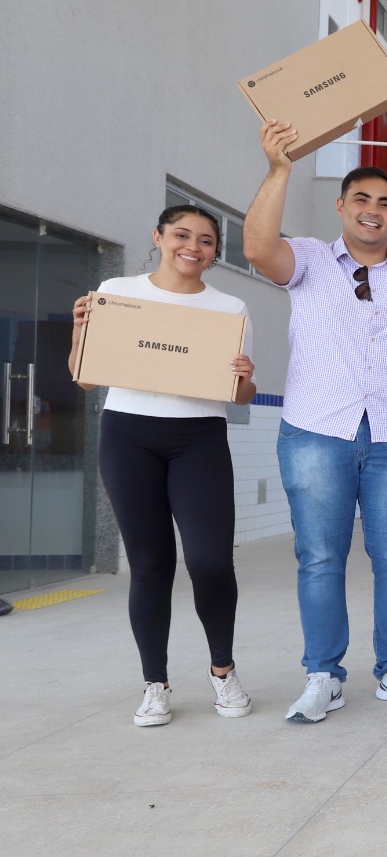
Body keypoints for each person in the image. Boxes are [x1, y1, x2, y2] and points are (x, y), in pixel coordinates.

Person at [244, 121, 387, 722]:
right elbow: (258, 250)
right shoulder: (309, 259)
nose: (373, 211)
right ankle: (324, 676)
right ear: (341, 206)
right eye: (361, 199)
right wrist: (280, 168)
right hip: (316, 430)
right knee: (320, 557)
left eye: (385, 203)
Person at [69, 205, 257, 726]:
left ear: (216, 250)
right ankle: (155, 683)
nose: (192, 246)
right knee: (150, 565)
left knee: (211, 560)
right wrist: (81, 329)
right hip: (128, 434)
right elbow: (85, 378)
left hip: (199, 438)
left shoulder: (231, 306)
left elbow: (242, 394)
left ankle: (223, 671)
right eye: (181, 235)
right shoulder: (120, 290)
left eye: (206, 239)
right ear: (158, 237)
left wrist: (245, 375)